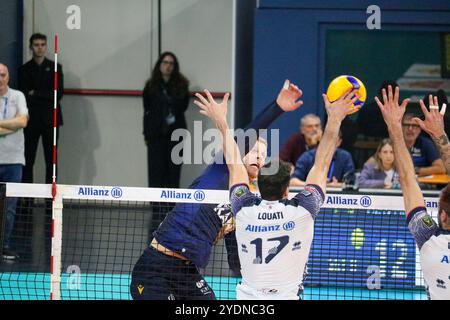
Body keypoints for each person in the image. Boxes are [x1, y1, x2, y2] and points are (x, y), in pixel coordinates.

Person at [130, 80, 304, 300]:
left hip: (187, 274)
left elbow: (235, 261)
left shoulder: (243, 201)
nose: (258, 157)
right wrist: (277, 107)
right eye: (252, 151)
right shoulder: (220, 172)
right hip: (156, 267)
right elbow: (250, 132)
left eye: (263, 154)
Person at [197, 86, 358, 299]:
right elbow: (321, 164)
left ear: (257, 186)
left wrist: (221, 122)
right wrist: (335, 119)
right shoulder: (303, 210)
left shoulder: (243, 208)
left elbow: (235, 164)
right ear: (287, 190)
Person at [375, 85, 450, 300]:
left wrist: (394, 127)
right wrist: (440, 135)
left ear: (443, 215)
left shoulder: (429, 238)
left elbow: (407, 180)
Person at [19, 33, 64, 185]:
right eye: (37, 45)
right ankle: (27, 203)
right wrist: (45, 95)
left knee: (51, 161)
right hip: (31, 120)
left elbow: (58, 94)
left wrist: (36, 93)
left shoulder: (55, 68)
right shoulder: (24, 69)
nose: (40, 48)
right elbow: (24, 94)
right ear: (31, 47)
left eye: (42, 44)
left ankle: (50, 202)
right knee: (28, 159)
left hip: (51, 120)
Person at [143, 52, 190, 189]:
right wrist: (146, 134)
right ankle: (156, 208)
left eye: (171, 63)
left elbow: (183, 106)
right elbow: (147, 111)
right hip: (156, 136)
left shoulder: (182, 85)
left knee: (173, 172)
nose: (168, 66)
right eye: (165, 63)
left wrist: (170, 101)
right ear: (159, 65)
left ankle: (171, 208)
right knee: (156, 173)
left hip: (175, 135)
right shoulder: (151, 86)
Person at [0, 63, 29, 260]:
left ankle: (5, 245)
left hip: (14, 160)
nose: (0, 78)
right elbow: (16, 124)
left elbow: (23, 122)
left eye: (2, 75)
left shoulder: (18, 96)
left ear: (8, 77)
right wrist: (12, 125)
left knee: (9, 207)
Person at [290, 130, 355, 188]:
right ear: (320, 140)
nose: (329, 143)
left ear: (339, 142)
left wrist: (337, 185)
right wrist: (315, 185)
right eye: (326, 140)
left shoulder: (345, 157)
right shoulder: (307, 156)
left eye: (333, 140)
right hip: (311, 194)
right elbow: (293, 181)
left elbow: (352, 183)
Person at [401, 112, 445, 177]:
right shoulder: (394, 142)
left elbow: (441, 168)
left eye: (414, 126)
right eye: (407, 125)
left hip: (422, 183)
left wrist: (416, 171)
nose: (410, 129)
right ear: (401, 127)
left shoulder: (426, 143)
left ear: (420, 129)